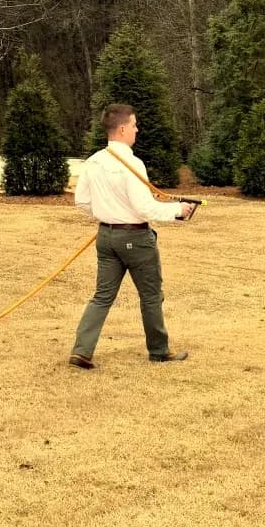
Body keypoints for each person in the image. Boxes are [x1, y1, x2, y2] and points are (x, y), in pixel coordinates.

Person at [69, 103, 197, 368]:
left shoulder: (93, 162)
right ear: (124, 128)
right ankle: (159, 351)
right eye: (135, 125)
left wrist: (108, 214)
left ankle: (81, 351)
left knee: (102, 296)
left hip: (106, 237)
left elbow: (81, 201)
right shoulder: (133, 163)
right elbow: (145, 208)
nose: (137, 130)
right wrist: (178, 210)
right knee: (151, 295)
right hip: (136, 240)